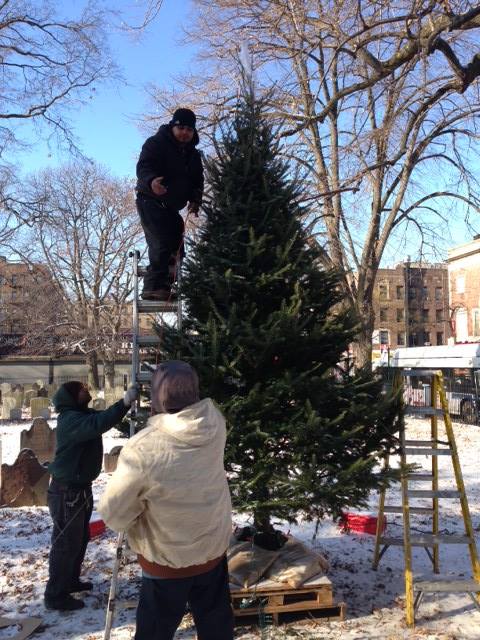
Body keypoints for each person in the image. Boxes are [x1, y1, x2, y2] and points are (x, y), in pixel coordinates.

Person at [99, 361, 233, 640]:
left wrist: (135, 516)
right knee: (217, 630)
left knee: (155, 633)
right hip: (211, 550)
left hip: (166, 562)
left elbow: (113, 512)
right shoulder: (215, 424)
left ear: (157, 397)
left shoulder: (144, 447)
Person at [44, 381, 139, 611]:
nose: (87, 390)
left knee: (79, 539)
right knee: (66, 543)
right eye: (82, 389)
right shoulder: (70, 420)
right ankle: (55, 595)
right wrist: (125, 401)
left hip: (78, 489)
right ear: (73, 397)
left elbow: (105, 417)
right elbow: (99, 423)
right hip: (67, 492)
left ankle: (70, 581)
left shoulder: (81, 414)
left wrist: (125, 409)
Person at [136, 107, 204, 301]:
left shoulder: (193, 156)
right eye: (181, 128)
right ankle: (152, 287)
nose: (185, 133)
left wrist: (195, 200)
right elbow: (144, 166)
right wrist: (151, 181)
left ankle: (166, 284)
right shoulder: (156, 144)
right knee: (160, 242)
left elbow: (198, 181)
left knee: (177, 245)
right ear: (173, 127)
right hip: (150, 200)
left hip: (172, 207)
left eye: (189, 130)